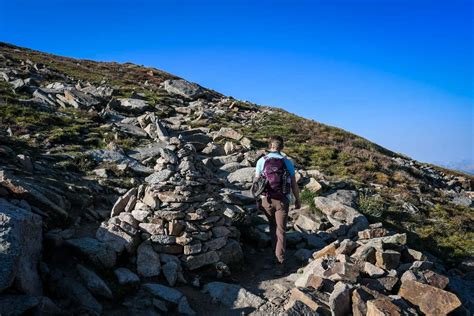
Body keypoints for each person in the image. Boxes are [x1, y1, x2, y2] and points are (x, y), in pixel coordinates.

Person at [255, 136, 301, 276]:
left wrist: (257, 199)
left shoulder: (261, 161)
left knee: (272, 227)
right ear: (282, 147)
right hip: (282, 200)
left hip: (266, 200)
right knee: (281, 231)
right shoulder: (287, 162)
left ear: (269, 146)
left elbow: (257, 183)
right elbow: (293, 183)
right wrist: (297, 199)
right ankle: (279, 262)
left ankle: (273, 255)